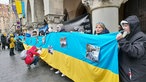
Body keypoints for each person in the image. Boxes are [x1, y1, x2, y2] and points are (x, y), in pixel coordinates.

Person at [116, 15, 146, 82]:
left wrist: (121, 40)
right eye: (123, 26)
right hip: (127, 74)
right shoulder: (128, 36)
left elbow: (136, 52)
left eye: (126, 26)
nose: (124, 28)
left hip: (135, 75)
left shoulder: (141, 37)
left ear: (133, 26)